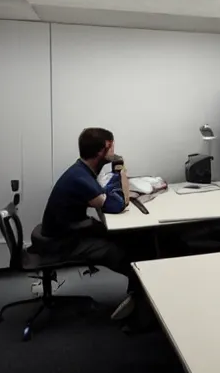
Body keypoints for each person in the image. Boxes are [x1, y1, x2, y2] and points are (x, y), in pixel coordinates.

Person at [39, 127, 145, 325]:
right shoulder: (80, 178)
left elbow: (103, 194)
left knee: (125, 239)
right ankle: (142, 298)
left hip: (64, 231)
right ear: (102, 150)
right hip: (63, 241)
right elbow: (116, 204)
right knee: (119, 250)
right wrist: (120, 168)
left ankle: (137, 292)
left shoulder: (81, 171)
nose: (115, 151)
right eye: (112, 146)